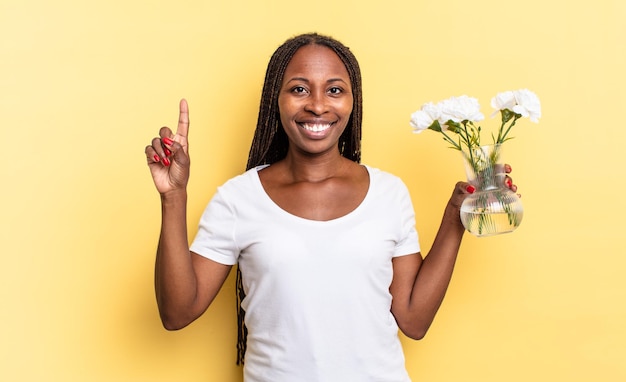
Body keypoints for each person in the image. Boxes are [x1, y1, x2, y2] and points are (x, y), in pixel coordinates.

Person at [144, 33, 517, 382]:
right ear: (277, 98)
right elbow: (177, 313)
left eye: (334, 90)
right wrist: (173, 197)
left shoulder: (389, 193)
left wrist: (455, 217)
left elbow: (414, 321)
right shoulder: (239, 198)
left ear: (353, 101)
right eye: (299, 89)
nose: (318, 105)